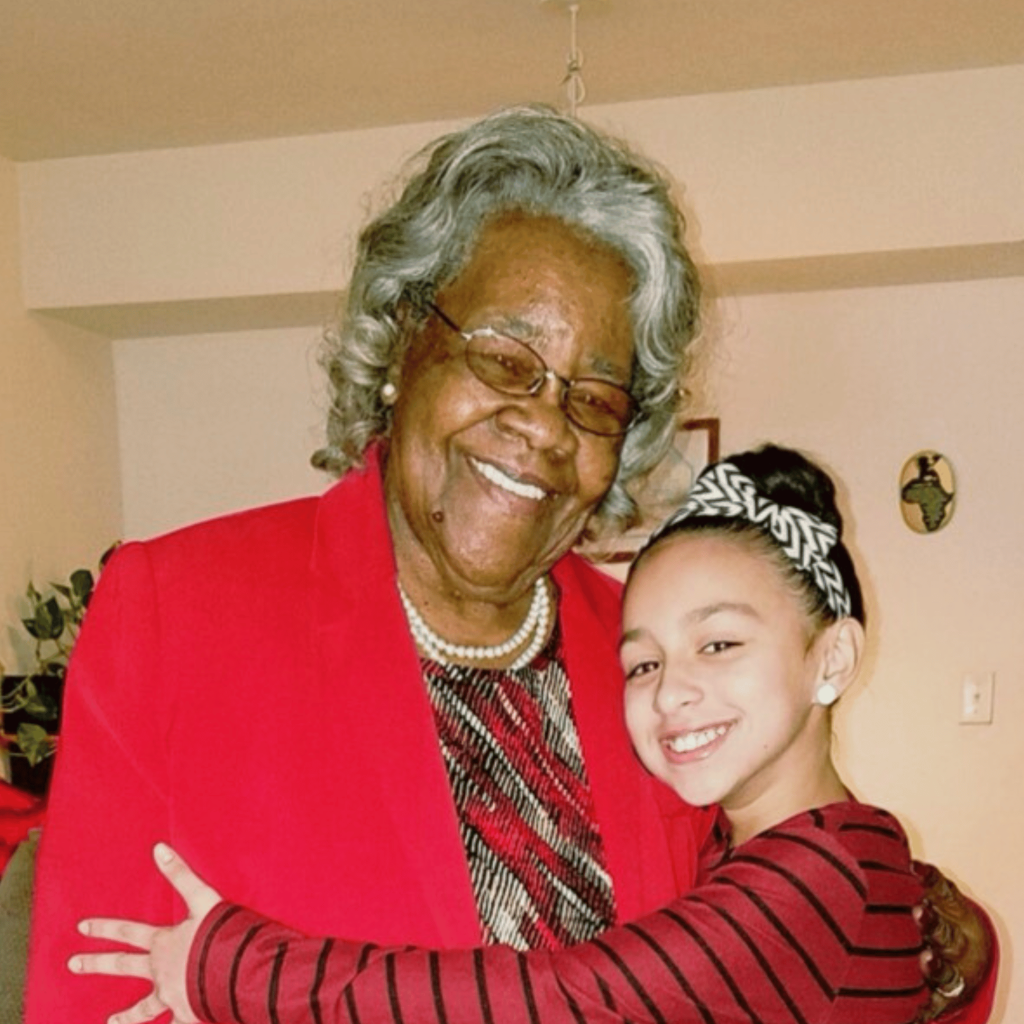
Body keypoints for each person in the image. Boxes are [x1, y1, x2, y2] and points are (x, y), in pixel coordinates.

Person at [25, 106, 992, 1022]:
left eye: (596, 399)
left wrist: (947, 942)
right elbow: (91, 987)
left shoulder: (647, 662)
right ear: (406, 343)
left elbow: (761, 932)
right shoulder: (180, 608)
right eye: (503, 359)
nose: (539, 424)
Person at [70, 446, 981, 1024]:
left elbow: (553, 1000)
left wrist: (226, 965)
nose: (674, 694)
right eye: (644, 661)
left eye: (720, 642)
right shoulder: (827, 853)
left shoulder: (813, 875)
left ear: (832, 659)